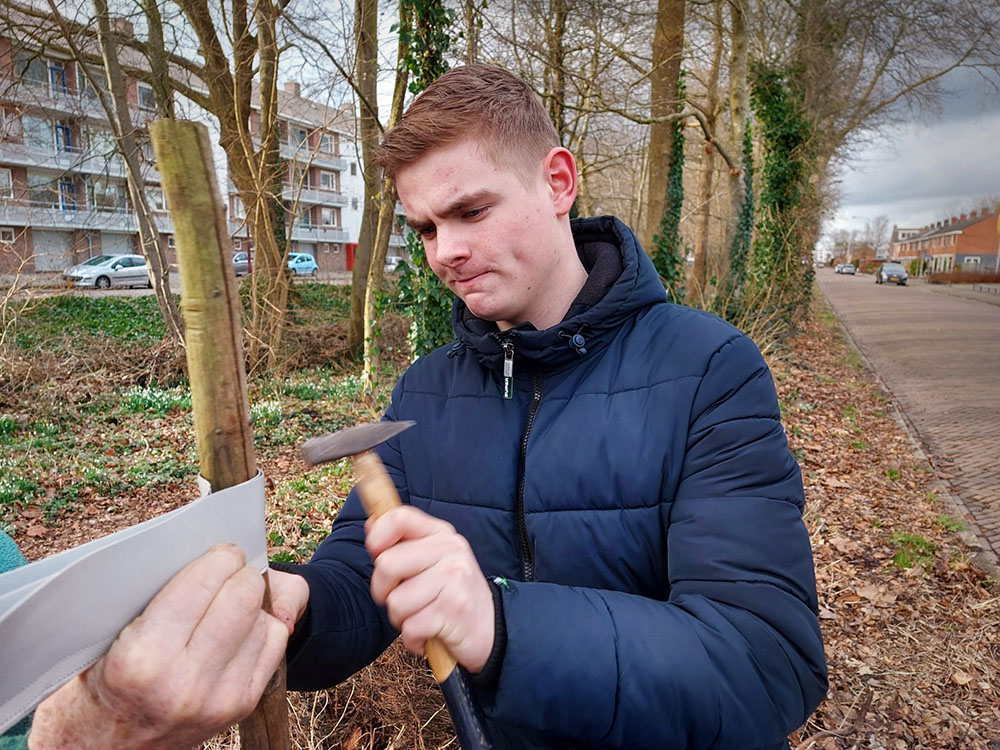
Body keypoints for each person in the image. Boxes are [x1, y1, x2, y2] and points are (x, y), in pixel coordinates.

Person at [28, 63, 827, 749]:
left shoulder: (710, 370)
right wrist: (292, 607)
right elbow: (362, 575)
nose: (445, 251)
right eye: (425, 227)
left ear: (557, 182)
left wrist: (501, 625)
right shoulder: (428, 389)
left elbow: (767, 665)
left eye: (471, 211)